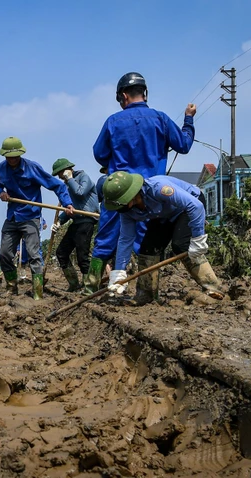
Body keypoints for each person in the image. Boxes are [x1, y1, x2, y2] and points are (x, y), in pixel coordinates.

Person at [91, 71, 197, 305]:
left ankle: (91, 289)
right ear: (144, 93)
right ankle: (148, 295)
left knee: (106, 239)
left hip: (118, 192)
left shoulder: (112, 122)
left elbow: (99, 154)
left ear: (124, 96)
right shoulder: (160, 119)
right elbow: (184, 145)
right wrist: (188, 119)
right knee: (146, 244)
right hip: (148, 196)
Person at [102, 171, 223, 303]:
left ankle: (214, 289)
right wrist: (119, 271)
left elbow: (196, 206)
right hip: (164, 214)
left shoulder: (158, 188)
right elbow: (125, 239)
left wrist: (198, 239)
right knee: (148, 248)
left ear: (130, 196)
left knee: (181, 245)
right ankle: (146, 294)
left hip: (187, 207)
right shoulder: (127, 211)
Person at [0, 136, 74, 300]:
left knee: (33, 254)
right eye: (9, 157)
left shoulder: (32, 168)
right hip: (13, 216)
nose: (12, 159)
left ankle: (37, 291)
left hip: (30, 216)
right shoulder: (1, 168)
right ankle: (11, 287)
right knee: (4, 253)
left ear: (20, 154)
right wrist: (0, 193)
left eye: (15, 156)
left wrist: (67, 203)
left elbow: (57, 185)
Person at [49, 158, 99, 291]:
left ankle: (90, 286)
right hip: (76, 221)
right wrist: (59, 221)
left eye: (60, 174)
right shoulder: (66, 186)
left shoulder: (84, 177)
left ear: (67, 170)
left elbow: (80, 192)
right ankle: (74, 284)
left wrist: (70, 179)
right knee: (61, 252)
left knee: (82, 256)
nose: (60, 177)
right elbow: (70, 208)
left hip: (87, 220)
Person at [82, 164, 119, 294]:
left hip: (111, 213)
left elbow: (98, 197)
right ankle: (117, 286)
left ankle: (90, 288)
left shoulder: (104, 180)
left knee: (104, 244)